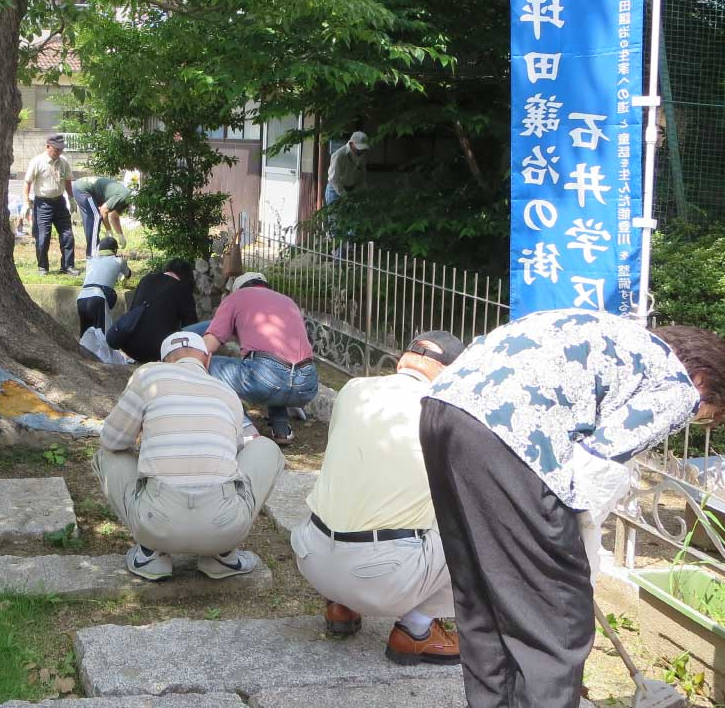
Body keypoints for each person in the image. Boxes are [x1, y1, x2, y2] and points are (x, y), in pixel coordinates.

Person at [420, 309, 725, 708]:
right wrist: (576, 558)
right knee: (558, 619)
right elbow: (597, 466)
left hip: (443, 408)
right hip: (513, 435)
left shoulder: (616, 338)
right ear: (704, 381)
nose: (691, 418)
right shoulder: (678, 386)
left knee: (482, 595)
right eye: (702, 416)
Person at [292, 332, 466, 668]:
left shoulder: (352, 390)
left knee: (351, 480)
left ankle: (341, 605)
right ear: (452, 373)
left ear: (403, 360)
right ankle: (415, 629)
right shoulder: (444, 412)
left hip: (312, 559)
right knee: (472, 515)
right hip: (382, 580)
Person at [93, 331, 285, 581]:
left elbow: (111, 440)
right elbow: (235, 454)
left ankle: (151, 553)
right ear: (207, 360)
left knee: (107, 453)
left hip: (156, 524)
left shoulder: (149, 376)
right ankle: (222, 555)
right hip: (224, 526)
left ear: (164, 361)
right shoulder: (227, 393)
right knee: (267, 448)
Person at [203, 272, 318, 446]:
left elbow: (208, 345)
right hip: (307, 383)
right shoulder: (288, 302)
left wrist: (184, 361)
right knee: (274, 369)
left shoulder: (236, 298)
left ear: (238, 289)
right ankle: (281, 430)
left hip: (267, 378)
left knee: (208, 364)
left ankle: (246, 428)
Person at [118, 259, 199, 364]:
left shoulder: (146, 279)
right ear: (188, 276)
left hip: (129, 347)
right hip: (158, 351)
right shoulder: (182, 289)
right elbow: (191, 326)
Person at [23, 134, 77, 276]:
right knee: (43, 236)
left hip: (60, 202)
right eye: (56, 149)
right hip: (43, 204)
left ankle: (67, 266)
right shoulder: (37, 161)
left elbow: (67, 181)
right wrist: (26, 202)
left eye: (61, 149)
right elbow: (27, 182)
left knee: (67, 234)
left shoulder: (63, 161)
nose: (59, 152)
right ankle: (43, 267)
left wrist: (71, 198)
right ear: (48, 147)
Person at [77, 236, 132, 336]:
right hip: (98, 298)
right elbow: (128, 274)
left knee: (86, 336)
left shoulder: (90, 261)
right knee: (104, 335)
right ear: (115, 250)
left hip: (81, 298)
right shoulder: (119, 261)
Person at [73, 175, 131, 257]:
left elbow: (114, 217)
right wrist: (108, 230)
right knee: (95, 217)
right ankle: (92, 255)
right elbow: (103, 210)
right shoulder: (124, 197)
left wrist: (120, 234)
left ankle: (93, 253)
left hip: (81, 187)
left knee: (93, 219)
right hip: (83, 189)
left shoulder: (125, 199)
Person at [325, 130, 369, 206]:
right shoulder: (339, 155)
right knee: (336, 214)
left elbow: (361, 177)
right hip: (335, 191)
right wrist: (345, 196)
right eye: (359, 148)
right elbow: (333, 179)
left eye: (363, 149)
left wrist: (364, 193)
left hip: (351, 190)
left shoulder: (362, 155)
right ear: (351, 143)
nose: (361, 150)